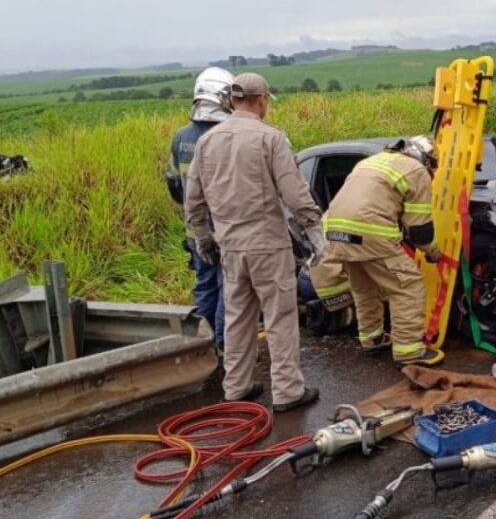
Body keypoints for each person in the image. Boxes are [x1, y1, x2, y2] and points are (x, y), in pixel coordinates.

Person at [184, 72, 326, 412]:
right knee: (279, 317)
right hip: (267, 244)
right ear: (262, 99)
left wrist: (204, 239)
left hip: (230, 246)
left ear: (233, 100)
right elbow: (295, 192)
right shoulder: (271, 138)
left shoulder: (208, 142)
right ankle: (289, 391)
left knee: (237, 317)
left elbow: (194, 200)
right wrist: (316, 234)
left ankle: (237, 386)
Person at [321, 136, 444, 366]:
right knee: (407, 284)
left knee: (364, 286)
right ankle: (409, 351)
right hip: (369, 231)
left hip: (334, 230)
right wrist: (433, 252)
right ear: (424, 159)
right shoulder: (416, 170)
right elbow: (419, 230)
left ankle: (372, 339)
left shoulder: (371, 161)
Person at [165, 67, 233, 350]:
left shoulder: (181, 137)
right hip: (224, 232)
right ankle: (223, 347)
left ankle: (201, 347)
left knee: (205, 286)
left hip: (196, 231)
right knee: (229, 290)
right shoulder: (226, 136)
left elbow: (173, 185)